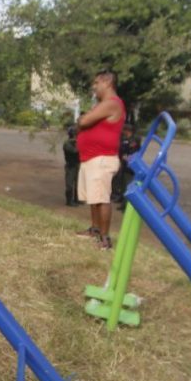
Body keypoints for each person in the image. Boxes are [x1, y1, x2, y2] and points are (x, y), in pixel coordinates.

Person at [75, 69, 125, 249]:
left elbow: (83, 121)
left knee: (101, 197)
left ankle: (105, 239)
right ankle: (95, 229)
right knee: (94, 196)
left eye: (96, 83)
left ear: (107, 82)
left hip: (102, 158)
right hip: (91, 157)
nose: (93, 87)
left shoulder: (112, 103)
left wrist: (83, 119)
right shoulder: (102, 104)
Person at [62, 125, 81, 206]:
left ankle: (77, 199)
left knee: (78, 183)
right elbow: (75, 151)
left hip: (77, 164)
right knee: (69, 184)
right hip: (70, 166)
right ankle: (69, 201)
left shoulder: (75, 142)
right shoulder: (67, 143)